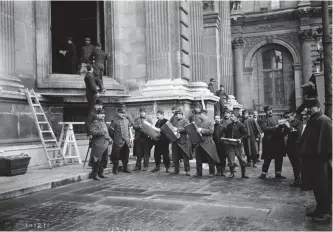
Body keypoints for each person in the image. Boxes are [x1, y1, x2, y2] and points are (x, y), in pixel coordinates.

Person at [299, 98, 332, 222]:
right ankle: (320, 208)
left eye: (311, 107)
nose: (308, 109)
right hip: (312, 159)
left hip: (321, 160)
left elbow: (329, 142)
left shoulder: (324, 120)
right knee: (316, 186)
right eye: (307, 107)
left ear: (318, 107)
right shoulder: (314, 120)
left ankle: (326, 212)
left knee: (324, 186)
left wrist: (324, 156)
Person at [258, 106, 287, 180]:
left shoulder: (277, 118)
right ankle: (263, 174)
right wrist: (275, 127)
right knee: (267, 158)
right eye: (268, 110)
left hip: (278, 141)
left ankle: (278, 173)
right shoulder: (263, 119)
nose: (270, 111)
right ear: (265, 112)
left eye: (271, 110)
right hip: (269, 142)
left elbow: (282, 126)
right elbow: (264, 128)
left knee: (279, 158)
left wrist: (283, 126)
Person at [87, 108, 112, 180]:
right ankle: (95, 175)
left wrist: (109, 138)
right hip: (98, 144)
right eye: (101, 114)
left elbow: (106, 133)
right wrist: (102, 131)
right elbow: (93, 132)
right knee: (97, 160)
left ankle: (101, 173)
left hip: (105, 144)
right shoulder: (94, 123)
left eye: (103, 114)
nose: (103, 115)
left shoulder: (104, 123)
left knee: (104, 160)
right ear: (97, 115)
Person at [194, 110, 220, 177]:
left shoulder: (210, 122)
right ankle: (199, 172)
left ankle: (212, 172)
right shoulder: (198, 123)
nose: (199, 116)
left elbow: (211, 131)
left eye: (200, 114)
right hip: (199, 142)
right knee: (198, 158)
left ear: (204, 114)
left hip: (208, 142)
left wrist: (202, 130)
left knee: (210, 158)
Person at [109, 108, 133, 175]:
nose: (123, 114)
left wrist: (128, 140)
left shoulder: (126, 121)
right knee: (116, 155)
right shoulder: (114, 121)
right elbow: (110, 132)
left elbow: (128, 131)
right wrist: (116, 138)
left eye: (124, 113)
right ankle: (115, 169)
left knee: (126, 155)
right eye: (121, 113)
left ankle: (125, 168)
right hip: (118, 141)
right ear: (118, 113)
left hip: (126, 141)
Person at [225, 112, 249, 178]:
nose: (231, 117)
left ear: (236, 117)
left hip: (238, 145)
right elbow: (226, 135)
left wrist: (241, 139)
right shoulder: (229, 125)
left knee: (242, 159)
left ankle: (243, 174)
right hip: (230, 145)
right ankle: (232, 173)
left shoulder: (241, 125)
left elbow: (245, 134)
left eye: (232, 116)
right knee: (230, 159)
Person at [283, 110, 302, 187]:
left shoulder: (299, 122)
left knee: (298, 163)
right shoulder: (287, 123)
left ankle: (302, 180)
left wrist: (289, 127)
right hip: (289, 146)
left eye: (288, 117)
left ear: (293, 115)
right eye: (286, 117)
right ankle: (297, 180)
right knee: (294, 164)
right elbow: (284, 133)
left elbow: (298, 132)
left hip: (297, 146)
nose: (287, 118)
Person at [171, 109, 191, 176]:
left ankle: (187, 170)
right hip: (175, 141)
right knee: (175, 157)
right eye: (176, 115)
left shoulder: (186, 121)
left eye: (178, 114)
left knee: (185, 157)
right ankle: (176, 170)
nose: (177, 116)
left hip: (183, 141)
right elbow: (171, 128)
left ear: (181, 114)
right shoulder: (174, 121)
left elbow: (187, 129)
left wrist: (177, 129)